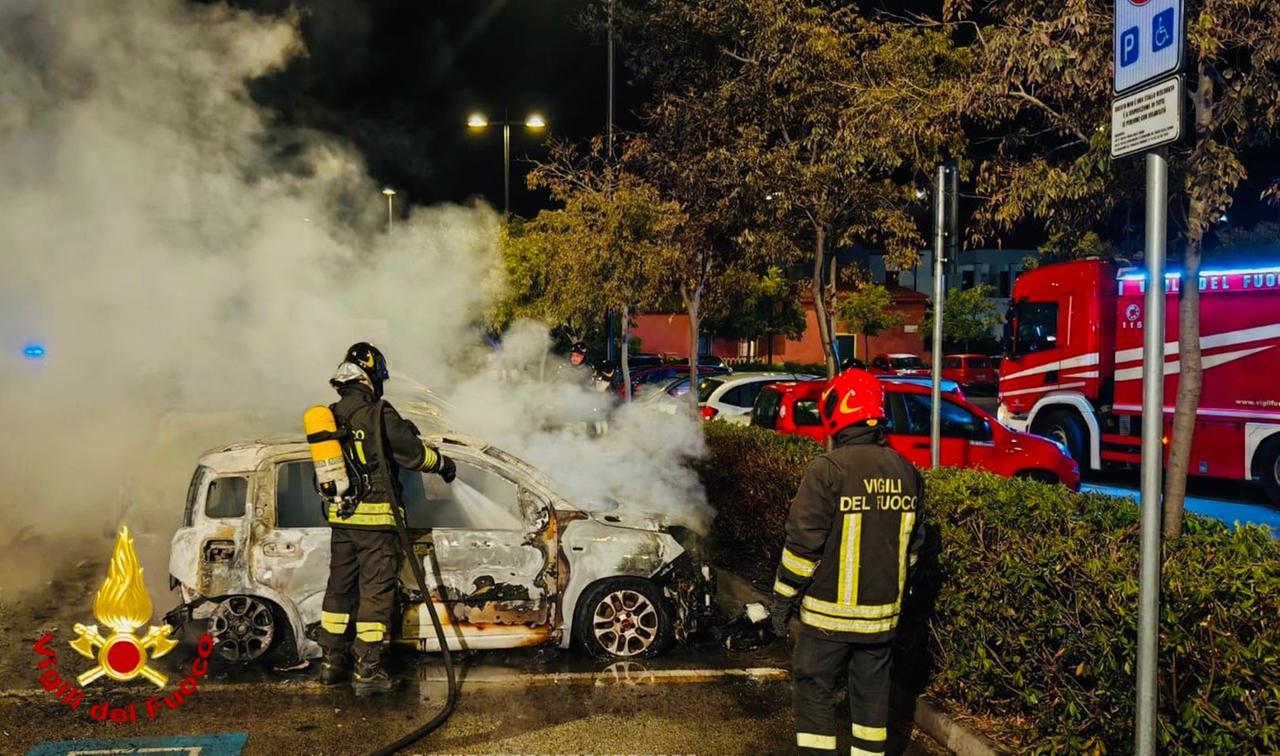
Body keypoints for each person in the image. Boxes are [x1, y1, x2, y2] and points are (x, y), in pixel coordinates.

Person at [769, 369, 925, 755]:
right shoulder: (907, 472)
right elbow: (913, 551)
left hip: (826, 623)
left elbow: (802, 548)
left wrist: (781, 601)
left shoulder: (828, 470)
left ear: (839, 409)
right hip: (880, 622)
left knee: (815, 697)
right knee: (872, 706)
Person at [318, 342, 456, 697]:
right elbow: (413, 456)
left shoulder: (331, 415)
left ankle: (331, 662)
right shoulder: (379, 413)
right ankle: (368, 671)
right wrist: (443, 464)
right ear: (372, 377)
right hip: (376, 522)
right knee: (376, 595)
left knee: (339, 589)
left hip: (341, 519)